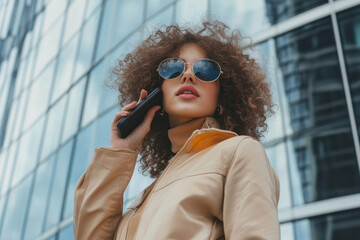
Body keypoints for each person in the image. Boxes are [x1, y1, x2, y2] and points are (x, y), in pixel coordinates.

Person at [73, 20, 280, 240]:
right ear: (158, 92)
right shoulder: (143, 201)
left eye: (205, 70)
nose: (188, 75)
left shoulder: (239, 151)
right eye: (173, 68)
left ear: (222, 97)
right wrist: (119, 152)